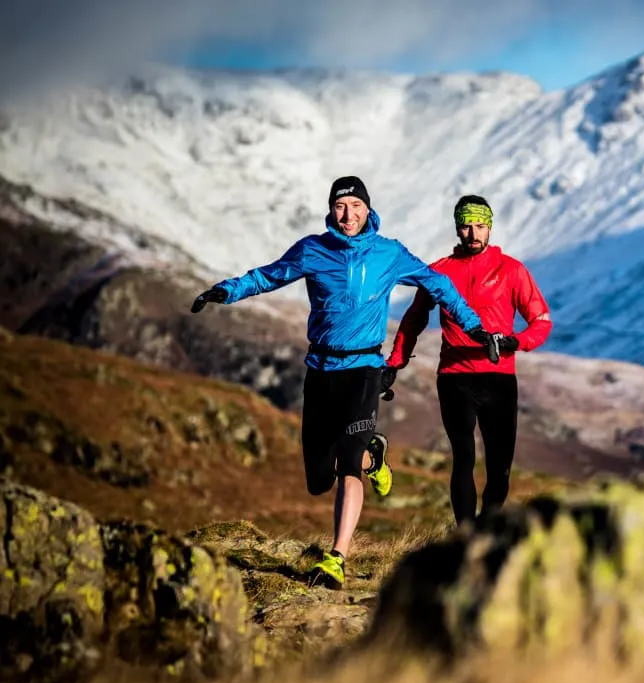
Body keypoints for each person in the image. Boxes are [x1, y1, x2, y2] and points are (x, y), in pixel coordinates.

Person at [189, 176, 499, 589]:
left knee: (347, 461)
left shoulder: (388, 253)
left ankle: (337, 558)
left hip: (363, 370)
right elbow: (269, 276)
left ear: (368, 210)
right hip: (320, 369)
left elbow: (438, 284)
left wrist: (474, 327)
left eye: (356, 206)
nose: (349, 214)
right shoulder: (313, 250)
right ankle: (374, 455)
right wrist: (225, 292)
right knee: (320, 478)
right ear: (331, 210)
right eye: (341, 206)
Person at [386, 194, 552, 526]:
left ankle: (488, 528)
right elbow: (414, 317)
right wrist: (394, 362)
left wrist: (515, 342)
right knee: (463, 457)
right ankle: (465, 535)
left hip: (499, 377)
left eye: (479, 225)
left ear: (490, 227)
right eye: (466, 226)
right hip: (455, 377)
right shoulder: (440, 272)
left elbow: (542, 321)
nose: (473, 233)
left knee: (499, 465)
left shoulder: (511, 270)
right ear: (458, 229)